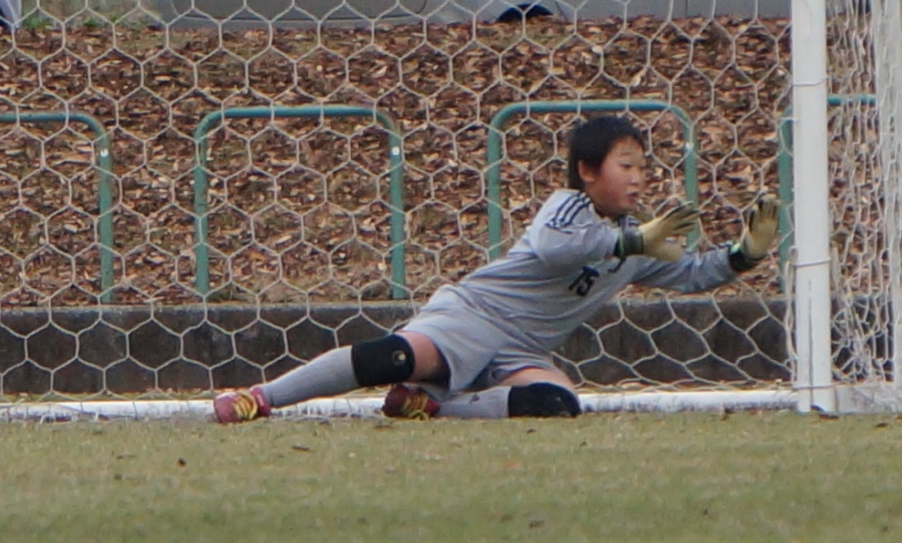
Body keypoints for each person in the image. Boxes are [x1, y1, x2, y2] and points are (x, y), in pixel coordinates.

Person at [212, 115, 781, 423]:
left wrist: (744, 254)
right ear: (587, 171)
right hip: (473, 318)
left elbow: (692, 273)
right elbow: (557, 251)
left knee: (557, 404)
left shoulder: (637, 241)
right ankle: (262, 397)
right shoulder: (569, 207)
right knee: (394, 357)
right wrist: (634, 239)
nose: (638, 178)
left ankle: (432, 404)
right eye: (625, 165)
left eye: (643, 167)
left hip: (522, 352)